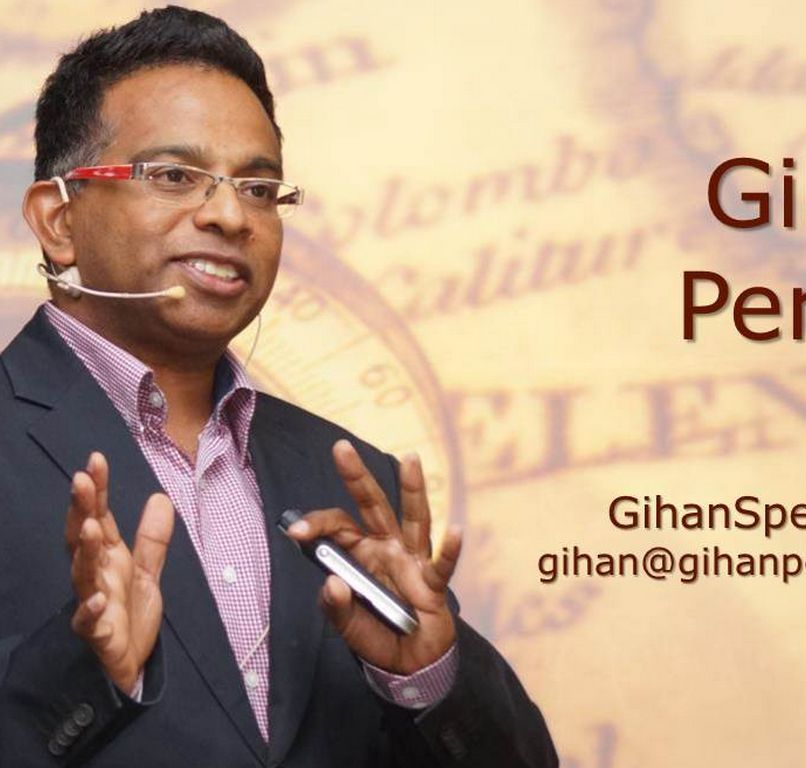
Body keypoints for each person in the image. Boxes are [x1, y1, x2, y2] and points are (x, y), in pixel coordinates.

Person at [0, 6, 558, 767]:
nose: (232, 215)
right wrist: (83, 674)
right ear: (58, 221)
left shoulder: (351, 482)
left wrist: (426, 677)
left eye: (260, 188)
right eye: (174, 176)